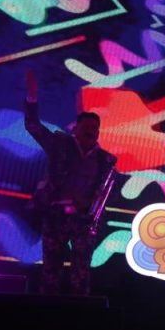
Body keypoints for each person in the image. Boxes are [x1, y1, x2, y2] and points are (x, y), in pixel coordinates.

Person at [23, 70, 116, 295]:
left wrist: (93, 212)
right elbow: (33, 126)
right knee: (51, 269)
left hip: (83, 220)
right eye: (86, 127)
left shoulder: (105, 160)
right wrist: (32, 97)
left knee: (81, 271)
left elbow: (105, 193)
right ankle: (48, 310)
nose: (91, 131)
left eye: (94, 128)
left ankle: (79, 310)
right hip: (56, 214)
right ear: (75, 129)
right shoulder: (60, 145)